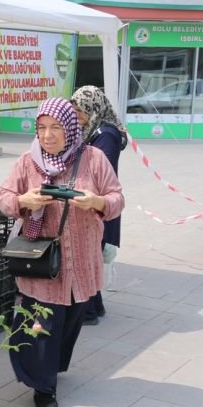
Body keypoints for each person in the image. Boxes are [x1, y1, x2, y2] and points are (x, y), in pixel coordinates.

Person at [0, 97, 124, 407]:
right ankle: (43, 387)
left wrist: (96, 202)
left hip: (81, 259)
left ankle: (52, 368)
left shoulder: (93, 159)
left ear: (70, 127)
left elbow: (117, 198)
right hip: (42, 261)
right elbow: (4, 197)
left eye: (55, 127)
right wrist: (24, 200)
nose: (48, 135)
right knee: (42, 324)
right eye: (42, 128)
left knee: (71, 320)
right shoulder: (27, 162)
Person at [71, 85, 126, 326]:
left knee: (88, 258)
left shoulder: (107, 135)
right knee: (90, 256)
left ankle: (89, 313)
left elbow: (101, 172)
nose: (77, 118)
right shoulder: (94, 130)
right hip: (90, 203)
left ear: (94, 109)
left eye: (80, 112)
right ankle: (97, 306)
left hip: (99, 204)